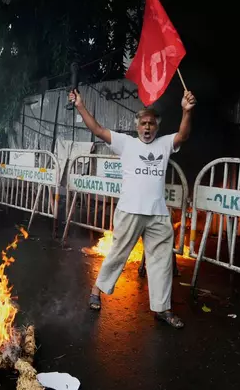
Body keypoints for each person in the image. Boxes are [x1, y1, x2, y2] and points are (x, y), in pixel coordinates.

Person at [69, 89, 196, 329]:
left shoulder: (164, 143)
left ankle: (162, 308)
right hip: (130, 210)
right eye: (143, 123)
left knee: (161, 261)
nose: (147, 127)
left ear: (156, 127)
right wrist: (80, 105)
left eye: (151, 124)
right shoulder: (125, 143)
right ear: (136, 126)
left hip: (158, 213)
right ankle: (96, 291)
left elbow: (183, 135)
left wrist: (186, 111)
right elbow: (97, 129)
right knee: (118, 254)